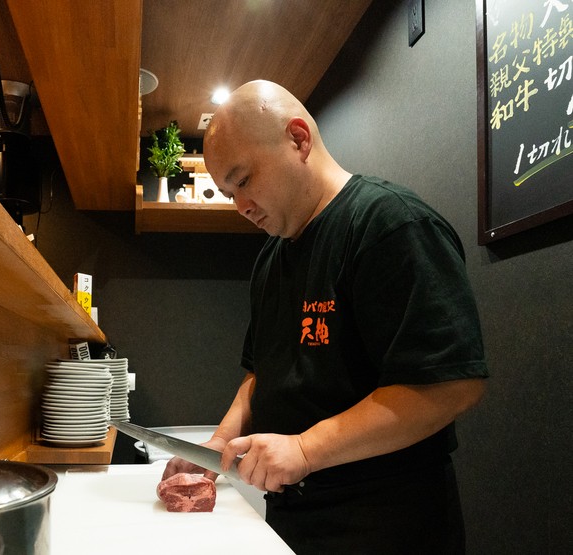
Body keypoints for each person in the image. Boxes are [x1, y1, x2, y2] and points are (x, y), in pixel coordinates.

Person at [161, 80, 489, 554]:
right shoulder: (271, 259)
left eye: (244, 181)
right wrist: (218, 444)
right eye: (229, 193)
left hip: (387, 526)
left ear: (298, 139)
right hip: (292, 520)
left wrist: (305, 448)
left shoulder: (390, 224)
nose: (241, 208)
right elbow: (261, 374)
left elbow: (451, 384)